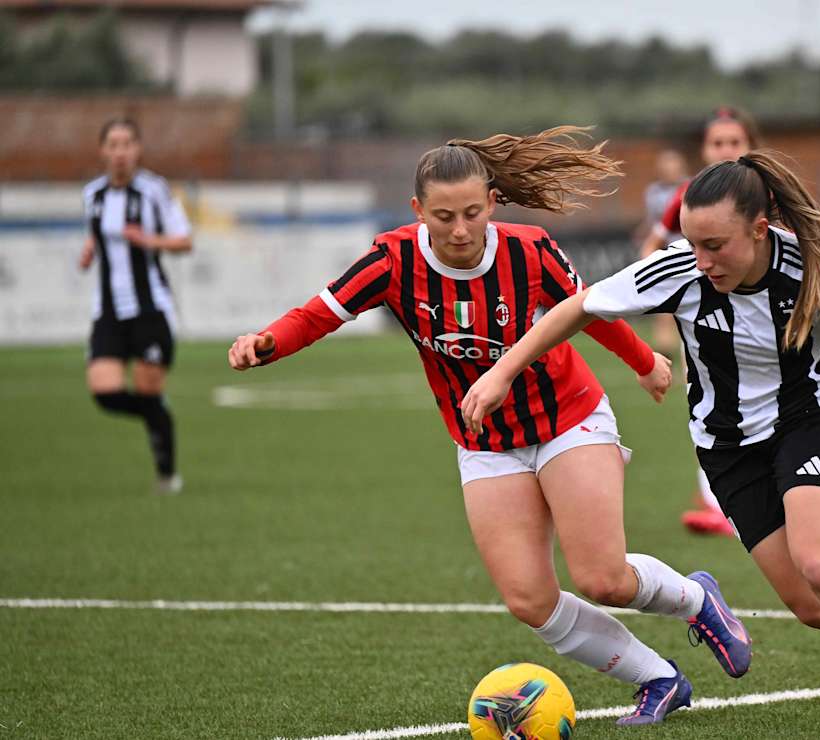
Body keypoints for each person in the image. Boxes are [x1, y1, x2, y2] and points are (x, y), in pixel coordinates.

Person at [226, 127, 752, 727]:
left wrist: (644, 363)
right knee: (530, 600)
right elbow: (317, 315)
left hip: (567, 418)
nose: (458, 230)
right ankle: (659, 679)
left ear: (493, 204)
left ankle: (696, 599)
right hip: (484, 444)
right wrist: (265, 342)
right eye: (443, 215)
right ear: (417, 210)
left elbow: (591, 309)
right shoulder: (392, 260)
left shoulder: (529, 250)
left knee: (602, 577)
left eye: (472, 213)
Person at [462, 152, 820, 740]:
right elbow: (576, 309)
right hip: (729, 450)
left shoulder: (814, 271)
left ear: (760, 229)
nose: (702, 261)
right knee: (814, 608)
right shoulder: (679, 270)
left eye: (716, 245)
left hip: (810, 423)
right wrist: (503, 371)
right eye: (693, 244)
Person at [641, 107, 820, 535]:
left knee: (789, 414)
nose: (725, 150)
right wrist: (665, 284)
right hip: (708, 319)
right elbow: (653, 249)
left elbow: (812, 254)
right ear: (704, 148)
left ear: (751, 147)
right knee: (707, 403)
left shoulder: (769, 200)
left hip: (773, 327)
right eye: (717, 143)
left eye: (734, 143)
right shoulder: (689, 197)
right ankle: (721, 506)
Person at [80, 118, 192, 495]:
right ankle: (158, 415)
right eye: (113, 144)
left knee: (146, 391)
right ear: (102, 151)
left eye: (127, 143)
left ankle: (167, 476)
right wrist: (90, 249)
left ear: (137, 150)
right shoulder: (92, 194)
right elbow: (97, 233)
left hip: (150, 308)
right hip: (109, 311)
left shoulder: (154, 191)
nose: (120, 152)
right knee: (105, 392)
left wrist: (147, 240)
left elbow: (184, 241)